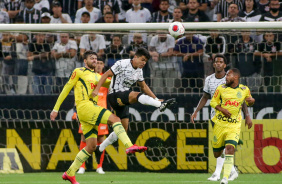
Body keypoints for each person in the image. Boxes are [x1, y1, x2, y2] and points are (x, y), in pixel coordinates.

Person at [50, 50, 147, 184]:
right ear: (85, 61)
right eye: (92, 58)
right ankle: (129, 145)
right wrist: (56, 109)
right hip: (85, 106)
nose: (95, 60)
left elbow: (116, 85)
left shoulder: (99, 77)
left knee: (91, 146)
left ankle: (70, 173)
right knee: (115, 120)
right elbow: (66, 89)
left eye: (96, 59)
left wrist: (130, 76)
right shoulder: (78, 71)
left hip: (88, 113)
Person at [92, 48, 176, 154]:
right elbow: (105, 75)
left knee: (122, 129)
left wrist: (155, 98)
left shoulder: (139, 71)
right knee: (136, 95)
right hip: (114, 95)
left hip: (123, 99)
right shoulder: (122, 63)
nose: (144, 63)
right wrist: (96, 89)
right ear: (135, 57)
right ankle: (160, 105)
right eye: (142, 59)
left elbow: (144, 86)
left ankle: (100, 148)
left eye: (145, 61)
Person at [191, 54, 251, 182]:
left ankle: (218, 173)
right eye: (216, 62)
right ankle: (232, 171)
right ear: (213, 64)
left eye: (221, 62)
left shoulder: (230, 79)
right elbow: (205, 97)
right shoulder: (209, 79)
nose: (218, 64)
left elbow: (242, 100)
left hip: (232, 119)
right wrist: (196, 111)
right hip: (216, 117)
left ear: (225, 65)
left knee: (226, 146)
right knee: (220, 147)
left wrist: (247, 115)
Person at [209, 68, 255, 184]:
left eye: (228, 75)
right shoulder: (221, 88)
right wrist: (222, 109)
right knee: (216, 154)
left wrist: (251, 105)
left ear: (235, 77)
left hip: (234, 125)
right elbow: (213, 102)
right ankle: (227, 148)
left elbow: (248, 102)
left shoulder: (244, 89)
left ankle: (225, 178)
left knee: (230, 148)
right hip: (219, 124)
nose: (226, 77)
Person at [76, 58, 110, 175]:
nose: (99, 65)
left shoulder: (106, 80)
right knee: (84, 139)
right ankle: (82, 166)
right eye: (98, 63)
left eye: (101, 63)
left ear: (103, 65)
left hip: (101, 114)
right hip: (88, 113)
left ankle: (99, 166)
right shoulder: (87, 77)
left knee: (101, 140)